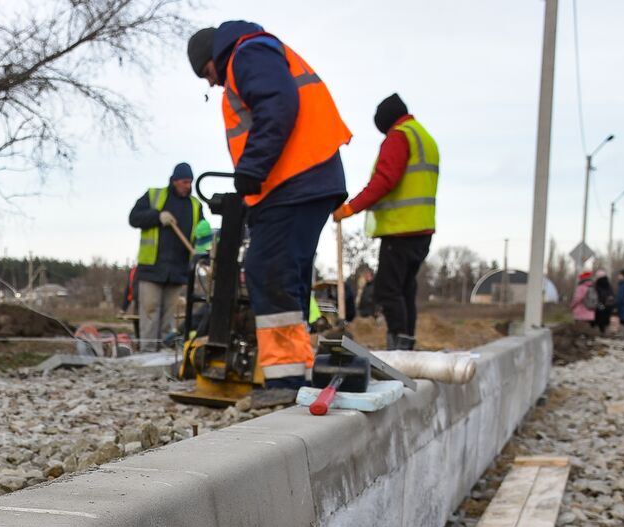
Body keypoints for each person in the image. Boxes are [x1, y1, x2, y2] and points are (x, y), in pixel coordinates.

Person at [187, 21, 352, 389]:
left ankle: (287, 383)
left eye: (207, 72)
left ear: (214, 57)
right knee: (285, 278)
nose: (211, 82)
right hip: (302, 180)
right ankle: (296, 376)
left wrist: (251, 169)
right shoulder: (254, 53)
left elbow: (278, 105)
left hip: (296, 181)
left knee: (267, 271)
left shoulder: (248, 53)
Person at [334, 94, 438, 350]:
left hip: (401, 230)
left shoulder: (399, 136)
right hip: (421, 229)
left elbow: (384, 180)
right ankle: (406, 345)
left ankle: (399, 347)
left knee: (388, 290)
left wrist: (350, 208)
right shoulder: (423, 137)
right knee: (405, 290)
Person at [128, 163, 203, 350]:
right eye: (185, 182)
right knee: (150, 311)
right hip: (152, 269)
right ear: (175, 180)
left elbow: (202, 234)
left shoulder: (195, 206)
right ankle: (147, 351)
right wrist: (157, 217)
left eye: (190, 182)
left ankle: (163, 354)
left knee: (168, 316)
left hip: (178, 270)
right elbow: (134, 218)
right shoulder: (154, 196)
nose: (188, 186)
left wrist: (201, 252)